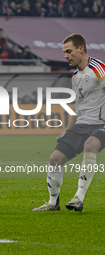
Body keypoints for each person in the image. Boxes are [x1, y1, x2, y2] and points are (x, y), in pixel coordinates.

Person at [33, 33, 105, 212]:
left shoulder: (99, 69)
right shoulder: (75, 76)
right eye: (64, 52)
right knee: (54, 159)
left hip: (101, 123)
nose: (65, 56)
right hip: (82, 124)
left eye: (69, 51)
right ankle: (52, 202)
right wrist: (67, 129)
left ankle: (78, 198)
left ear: (81, 49)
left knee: (90, 145)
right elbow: (77, 107)